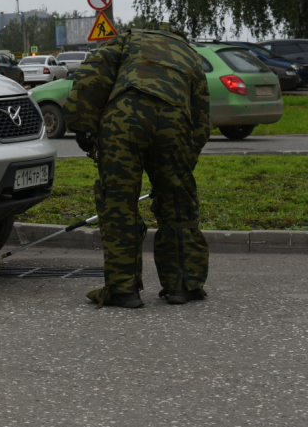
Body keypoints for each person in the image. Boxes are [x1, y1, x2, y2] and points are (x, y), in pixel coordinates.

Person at [64, 21, 211, 308]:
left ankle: (124, 290)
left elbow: (91, 76)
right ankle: (183, 285)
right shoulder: (189, 54)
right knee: (178, 202)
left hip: (124, 118)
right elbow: (201, 119)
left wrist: (84, 130)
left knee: (119, 202)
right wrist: (181, 169)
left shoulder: (127, 41)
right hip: (174, 121)